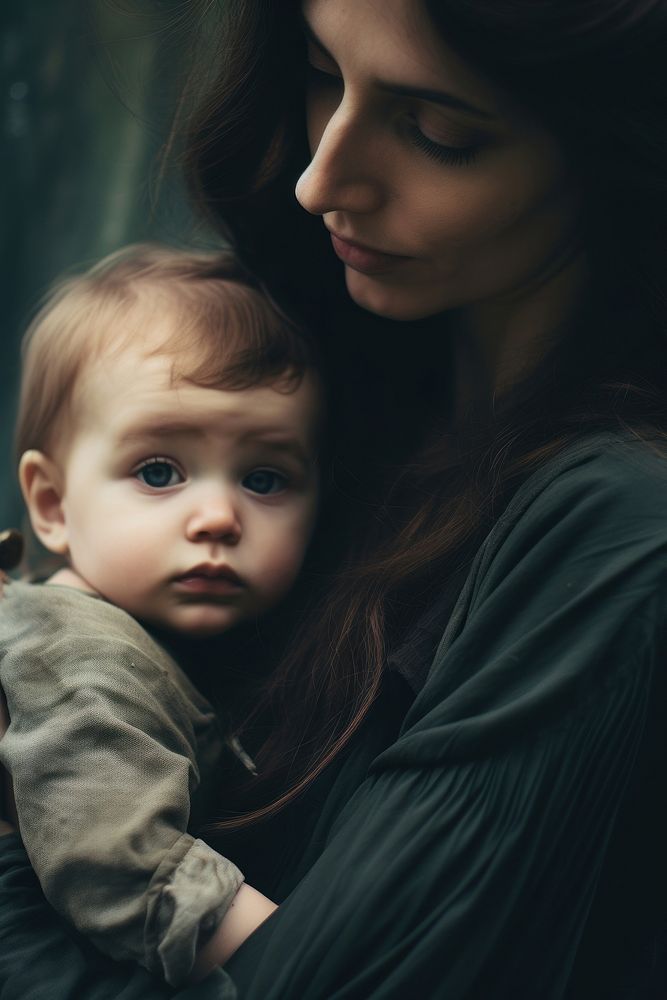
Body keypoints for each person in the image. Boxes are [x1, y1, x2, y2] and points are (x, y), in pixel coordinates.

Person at [1, 0, 667, 996]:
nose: (321, 179)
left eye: (437, 131)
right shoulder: (303, 371)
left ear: (611, 146)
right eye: (320, 74)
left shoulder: (610, 530)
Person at [0, 243, 321, 987]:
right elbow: (116, 858)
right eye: (158, 471)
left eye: (264, 477)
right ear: (51, 505)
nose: (216, 516)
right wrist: (303, 960)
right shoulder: (77, 650)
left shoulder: (159, 640)